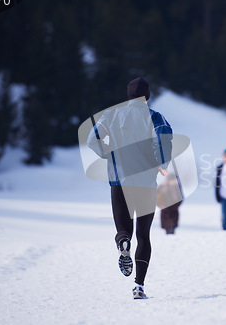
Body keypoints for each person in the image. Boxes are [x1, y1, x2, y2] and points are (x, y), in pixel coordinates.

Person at [87, 77, 173, 299]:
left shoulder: (111, 115)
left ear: (128, 95)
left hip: (119, 181)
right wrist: (161, 164)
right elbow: (164, 140)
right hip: (145, 183)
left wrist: (109, 153)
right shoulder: (155, 117)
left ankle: (123, 241)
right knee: (144, 235)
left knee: (124, 229)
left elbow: (91, 140)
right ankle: (139, 287)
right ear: (148, 96)